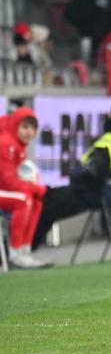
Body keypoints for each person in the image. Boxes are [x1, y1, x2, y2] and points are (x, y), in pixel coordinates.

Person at [32, 104, 111, 249]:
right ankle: (26, 251)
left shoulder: (109, 143)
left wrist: (74, 175)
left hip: (92, 195)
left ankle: (25, 250)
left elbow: (89, 174)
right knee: (51, 202)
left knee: (44, 203)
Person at [0, 107, 49, 268]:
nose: (29, 132)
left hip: (5, 190)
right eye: (25, 127)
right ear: (16, 126)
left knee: (36, 202)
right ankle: (15, 253)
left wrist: (33, 188)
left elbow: (19, 176)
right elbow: (7, 180)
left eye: (33, 128)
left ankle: (24, 251)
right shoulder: (6, 144)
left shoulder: (18, 145)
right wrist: (35, 189)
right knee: (24, 200)